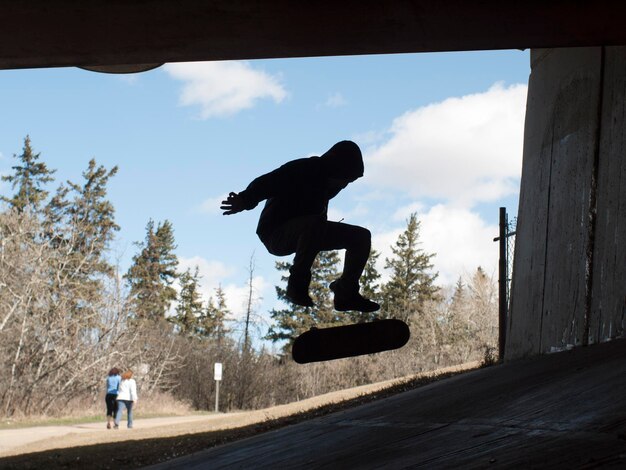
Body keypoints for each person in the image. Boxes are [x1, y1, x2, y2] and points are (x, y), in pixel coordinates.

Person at [221, 140, 379, 313]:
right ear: (335, 169)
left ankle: (346, 293)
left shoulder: (326, 187)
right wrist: (244, 200)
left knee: (361, 237)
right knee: (315, 223)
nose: (344, 185)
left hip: (309, 230)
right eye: (344, 180)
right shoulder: (304, 169)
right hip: (275, 233)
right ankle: (297, 284)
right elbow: (267, 182)